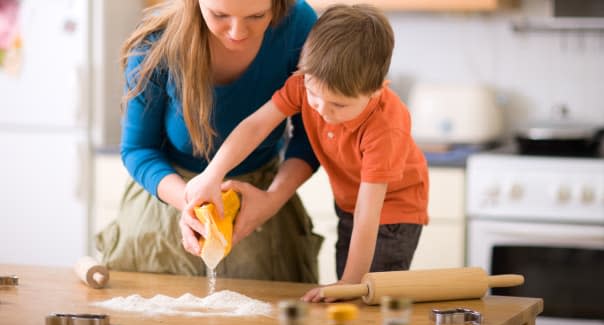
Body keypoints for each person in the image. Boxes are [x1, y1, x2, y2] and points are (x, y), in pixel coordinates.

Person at [184, 4, 429, 302]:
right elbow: (255, 126)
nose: (322, 110)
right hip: (351, 206)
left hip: (391, 215)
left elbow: (370, 211)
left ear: (375, 91)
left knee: (367, 295)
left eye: (338, 105)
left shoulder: (385, 127)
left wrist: (349, 282)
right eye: (314, 96)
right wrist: (213, 174)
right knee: (348, 294)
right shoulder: (305, 83)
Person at [95, 0, 324, 283]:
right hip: (167, 205)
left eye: (256, 16)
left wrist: (273, 199)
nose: (238, 32)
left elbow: (312, 135)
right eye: (219, 15)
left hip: (260, 207)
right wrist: (190, 203)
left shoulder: (298, 23)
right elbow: (138, 149)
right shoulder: (156, 40)